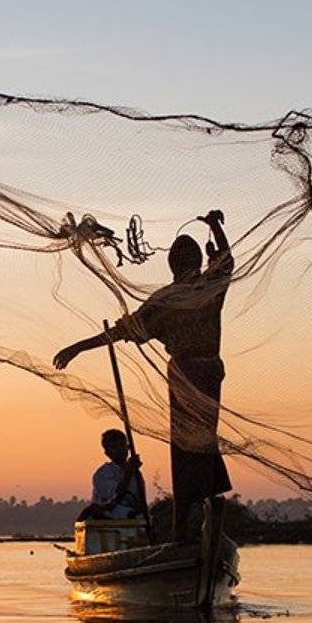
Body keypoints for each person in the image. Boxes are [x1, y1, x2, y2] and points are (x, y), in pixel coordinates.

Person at [55, 209, 233, 544]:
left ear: (174, 265)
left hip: (193, 373)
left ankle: (193, 529)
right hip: (198, 373)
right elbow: (226, 262)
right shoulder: (201, 289)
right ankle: (192, 530)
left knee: (194, 447)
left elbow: (224, 263)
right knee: (194, 446)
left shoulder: (181, 296)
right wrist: (215, 229)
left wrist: (78, 347)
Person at [79, 429, 147, 521]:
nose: (120, 450)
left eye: (122, 445)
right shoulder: (103, 473)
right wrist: (130, 470)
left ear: (128, 448)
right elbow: (118, 493)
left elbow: (140, 499)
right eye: (114, 447)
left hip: (133, 518)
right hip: (108, 518)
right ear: (107, 453)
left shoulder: (136, 474)